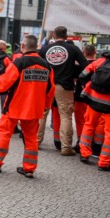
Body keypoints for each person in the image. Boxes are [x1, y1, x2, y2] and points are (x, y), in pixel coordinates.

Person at [0, 35, 55, 178]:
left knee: (4, 134)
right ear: (37, 47)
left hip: (14, 107)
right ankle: (29, 168)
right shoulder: (47, 66)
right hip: (34, 109)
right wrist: (46, 106)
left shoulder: (19, 63)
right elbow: (50, 90)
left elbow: (2, 85)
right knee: (31, 138)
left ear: (22, 46)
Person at [38, 26, 88, 156]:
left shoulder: (45, 49)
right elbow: (85, 65)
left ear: (54, 35)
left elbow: (37, 63)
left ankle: (36, 141)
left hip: (47, 85)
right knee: (65, 116)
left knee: (42, 114)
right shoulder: (73, 49)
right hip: (64, 86)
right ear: (66, 36)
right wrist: (73, 70)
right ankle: (66, 147)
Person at [77, 40, 110, 171]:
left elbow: (83, 75)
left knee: (89, 125)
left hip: (94, 100)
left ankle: (84, 154)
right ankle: (104, 163)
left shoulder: (101, 61)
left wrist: (89, 87)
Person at [74, 43, 98, 152]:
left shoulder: (80, 66)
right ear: (95, 53)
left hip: (80, 96)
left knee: (80, 121)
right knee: (94, 122)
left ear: (84, 53)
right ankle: (93, 142)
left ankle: (80, 141)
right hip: (95, 98)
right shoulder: (99, 66)